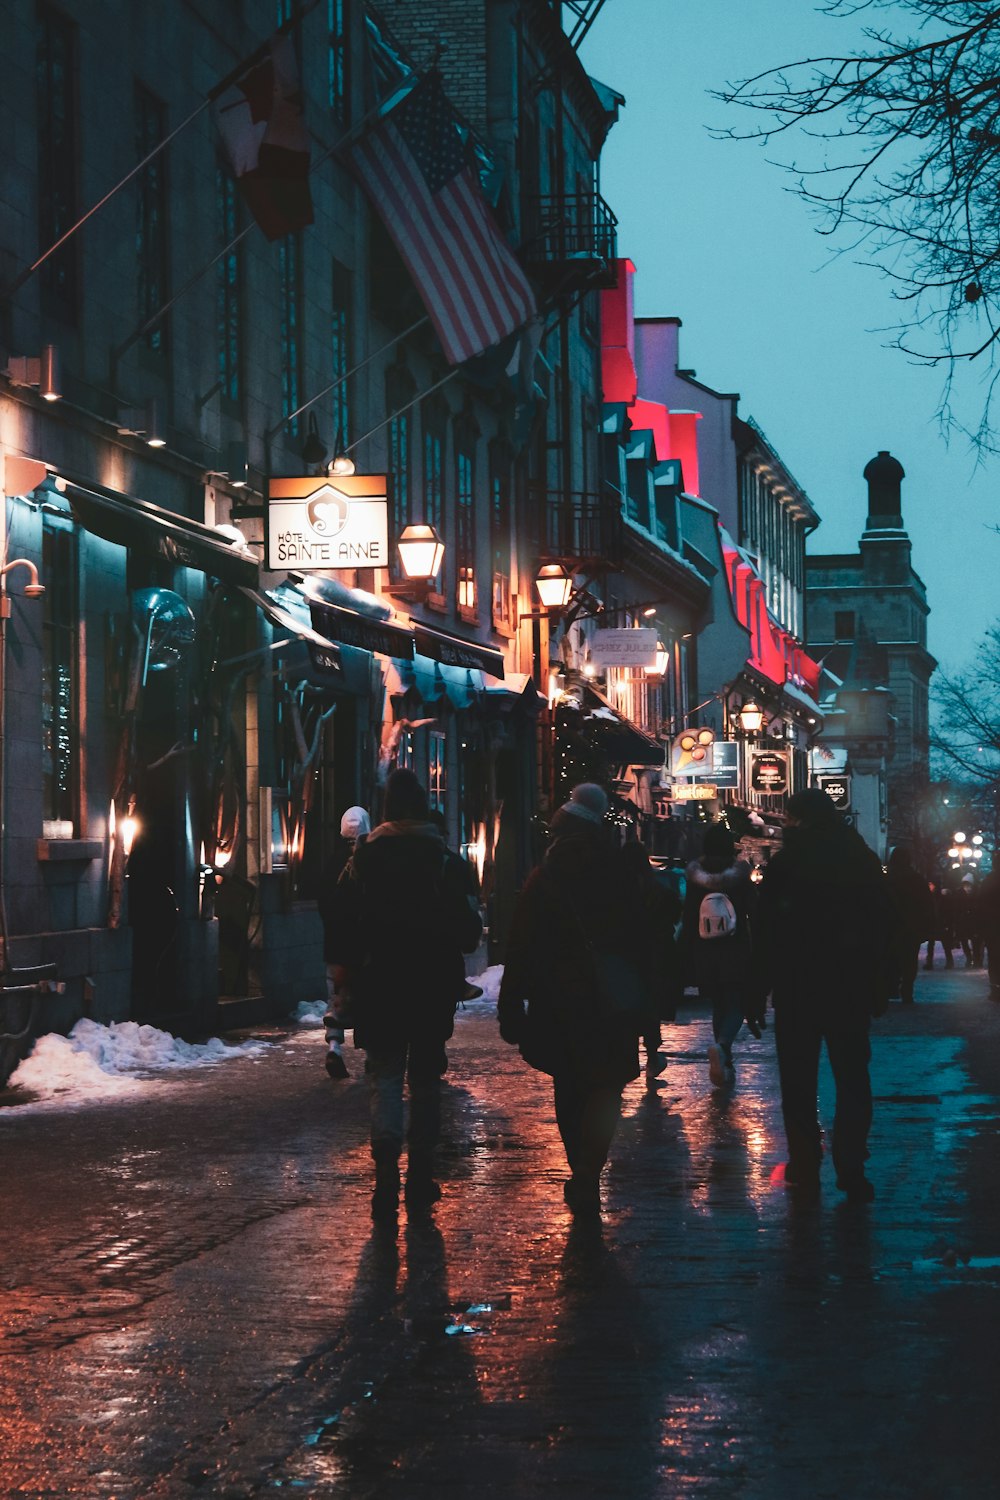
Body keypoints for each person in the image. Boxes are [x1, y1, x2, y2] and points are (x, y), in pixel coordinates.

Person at [327, 770, 482, 1222]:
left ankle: (385, 1178)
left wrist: (347, 971)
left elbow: (340, 923)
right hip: (432, 988)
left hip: (379, 987)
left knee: (387, 1077)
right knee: (427, 1081)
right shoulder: (446, 862)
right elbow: (469, 933)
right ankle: (420, 1177)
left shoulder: (363, 861)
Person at [498, 783, 644, 1218]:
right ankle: (589, 1169)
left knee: (569, 1082)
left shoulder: (547, 873)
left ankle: (578, 1163)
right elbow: (642, 936)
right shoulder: (619, 869)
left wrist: (511, 1002)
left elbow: (521, 940)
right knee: (605, 1086)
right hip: (611, 998)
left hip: (559, 995)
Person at [752, 788, 896, 1203]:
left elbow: (765, 932)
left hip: (797, 986)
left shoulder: (787, 863)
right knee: (852, 1076)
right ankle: (850, 1164)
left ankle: (804, 1161)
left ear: (797, 819)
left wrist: (757, 987)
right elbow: (885, 922)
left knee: (798, 1079)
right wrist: (880, 979)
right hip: (848, 985)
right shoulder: (860, 860)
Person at [680, 822, 755, 1089]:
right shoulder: (739, 876)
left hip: (704, 950)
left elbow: (688, 917)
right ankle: (723, 1047)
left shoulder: (695, 878)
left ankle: (725, 1060)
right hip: (735, 949)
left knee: (718, 1005)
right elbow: (753, 912)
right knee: (737, 1003)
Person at [618, 841, 683, 1086]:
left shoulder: (616, 892)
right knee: (649, 1008)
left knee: (626, 1008)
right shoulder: (658, 889)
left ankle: (630, 1059)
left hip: (626, 957)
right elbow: (673, 912)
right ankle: (652, 1057)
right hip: (654, 956)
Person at [317, 806, 371, 1079]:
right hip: (364, 948)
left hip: (336, 945)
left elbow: (322, 904)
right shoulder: (370, 862)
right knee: (368, 996)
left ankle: (335, 1046)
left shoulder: (331, 863)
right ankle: (372, 1052)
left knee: (335, 995)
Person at [886, 846, 933, 1004]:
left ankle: (892, 987)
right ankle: (907, 990)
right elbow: (927, 905)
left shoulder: (888, 879)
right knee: (910, 960)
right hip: (912, 926)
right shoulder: (917, 879)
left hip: (891, 926)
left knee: (891, 958)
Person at [923, 882, 955, 971]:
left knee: (944, 943)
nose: (929, 886)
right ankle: (931, 962)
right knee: (933, 944)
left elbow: (947, 911)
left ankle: (948, 961)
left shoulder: (939, 898)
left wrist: (946, 922)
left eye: (931, 884)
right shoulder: (932, 897)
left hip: (939, 923)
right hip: (934, 923)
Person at [955, 874, 983, 968]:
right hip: (964, 921)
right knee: (964, 940)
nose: (967, 888)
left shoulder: (977, 894)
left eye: (969, 886)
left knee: (975, 942)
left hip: (973, 921)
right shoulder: (960, 894)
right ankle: (969, 958)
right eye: (965, 886)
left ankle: (976, 959)